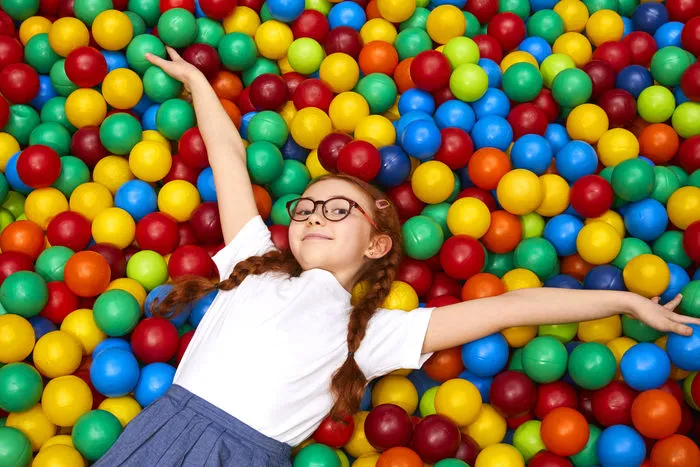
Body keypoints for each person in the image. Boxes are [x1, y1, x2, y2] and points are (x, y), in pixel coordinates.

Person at [94, 47, 700, 466]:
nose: (313, 218)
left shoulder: (373, 334)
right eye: (305, 209)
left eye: (337, 210)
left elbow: (515, 306)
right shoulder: (251, 261)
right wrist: (200, 85)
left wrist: (625, 299)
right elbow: (227, 158)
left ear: (377, 243)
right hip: (165, 426)